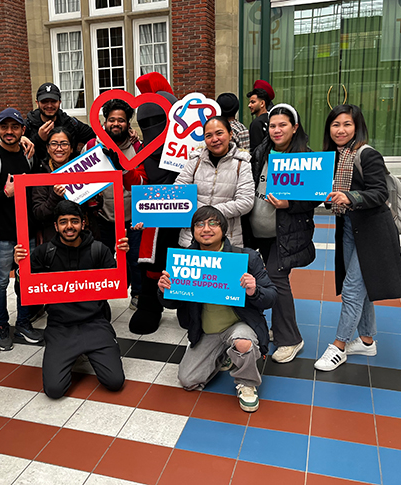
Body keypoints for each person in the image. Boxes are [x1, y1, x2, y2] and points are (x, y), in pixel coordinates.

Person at [315, 104, 401, 371]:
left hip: (373, 232)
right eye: (335, 125)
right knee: (359, 286)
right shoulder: (331, 158)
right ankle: (367, 341)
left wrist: (351, 196)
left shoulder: (368, 155)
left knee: (353, 289)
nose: (341, 130)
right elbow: (330, 193)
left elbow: (379, 193)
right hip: (348, 227)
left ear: (357, 127)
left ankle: (339, 345)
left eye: (347, 124)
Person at [158, 206, 276, 412]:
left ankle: (247, 383)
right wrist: (163, 290)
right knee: (188, 380)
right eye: (200, 224)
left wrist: (254, 290)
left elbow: (272, 297)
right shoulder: (183, 260)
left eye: (213, 223)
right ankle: (223, 354)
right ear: (192, 230)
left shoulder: (245, 258)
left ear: (223, 229)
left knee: (243, 342)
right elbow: (171, 303)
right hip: (206, 331)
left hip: (239, 326)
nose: (206, 229)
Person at [13, 200, 129, 399]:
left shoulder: (99, 250)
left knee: (115, 382)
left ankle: (100, 348)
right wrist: (20, 271)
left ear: (83, 224)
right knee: (54, 390)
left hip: (95, 323)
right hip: (60, 327)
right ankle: (66, 352)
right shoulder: (43, 254)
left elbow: (118, 288)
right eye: (63, 222)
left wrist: (121, 259)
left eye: (74, 221)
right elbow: (27, 295)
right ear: (56, 226)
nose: (69, 226)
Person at [242, 103, 318, 364]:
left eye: (282, 125)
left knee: (276, 277)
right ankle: (274, 327)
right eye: (272, 125)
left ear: (294, 127)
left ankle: (291, 338)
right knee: (258, 277)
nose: (277, 130)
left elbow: (315, 198)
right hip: (256, 231)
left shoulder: (306, 158)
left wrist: (291, 205)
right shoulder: (261, 152)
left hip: (286, 233)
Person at [0, 108, 45, 351]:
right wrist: (5, 194)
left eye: (14, 127)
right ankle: (2, 325)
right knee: (1, 282)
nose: (9, 132)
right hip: (1, 234)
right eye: (4, 127)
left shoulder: (28, 155)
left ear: (23, 130)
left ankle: (24, 322)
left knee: (27, 280)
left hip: (26, 232)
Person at [128, 72, 181, 335]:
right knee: (151, 260)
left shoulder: (191, 145)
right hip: (155, 216)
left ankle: (186, 305)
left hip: (185, 215)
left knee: (185, 257)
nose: (152, 126)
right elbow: (138, 178)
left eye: (156, 120)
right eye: (146, 121)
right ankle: (149, 305)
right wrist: (129, 174)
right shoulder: (141, 150)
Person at [85, 98, 145, 309]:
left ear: (128, 124)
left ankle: (137, 294)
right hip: (102, 215)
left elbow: (141, 182)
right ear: (105, 121)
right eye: (112, 120)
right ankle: (99, 297)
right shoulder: (92, 145)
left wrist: (124, 167)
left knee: (135, 258)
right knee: (100, 257)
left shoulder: (138, 146)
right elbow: (82, 179)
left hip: (132, 217)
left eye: (121, 120)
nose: (116, 124)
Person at [175, 116, 254, 248]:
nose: (214, 139)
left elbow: (246, 202)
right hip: (191, 238)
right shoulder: (195, 160)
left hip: (227, 238)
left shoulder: (242, 163)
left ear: (230, 134)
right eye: (209, 135)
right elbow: (177, 191)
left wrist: (209, 214)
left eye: (219, 133)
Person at [25, 82, 96, 159]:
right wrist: (38, 138)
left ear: (60, 102)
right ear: (37, 103)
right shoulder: (27, 125)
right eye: (45, 101)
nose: (49, 105)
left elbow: (97, 136)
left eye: (53, 101)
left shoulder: (71, 123)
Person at [32, 127, 74, 243]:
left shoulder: (81, 171)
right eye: (54, 144)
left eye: (64, 144)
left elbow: (91, 209)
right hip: (52, 241)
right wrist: (55, 197)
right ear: (48, 148)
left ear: (71, 149)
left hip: (81, 240)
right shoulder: (41, 174)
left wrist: (97, 198)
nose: (59, 148)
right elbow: (39, 213)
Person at [247, 81, 275, 150]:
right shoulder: (272, 119)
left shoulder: (257, 123)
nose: (249, 105)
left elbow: (256, 150)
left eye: (253, 102)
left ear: (262, 103)